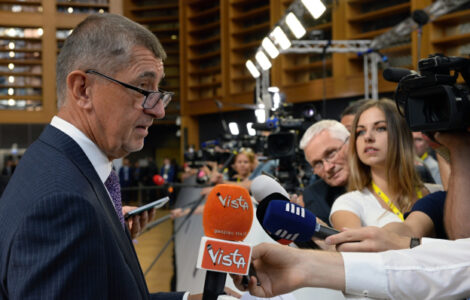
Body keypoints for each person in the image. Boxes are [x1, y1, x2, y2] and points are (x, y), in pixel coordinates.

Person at [0, 13, 194, 300]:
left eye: (159, 92)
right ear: (82, 90)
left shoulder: (54, 163)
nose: (159, 110)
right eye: (143, 88)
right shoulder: (64, 207)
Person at [232, 130, 470, 300]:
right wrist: (304, 262)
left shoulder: (433, 189)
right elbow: (401, 232)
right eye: (317, 163)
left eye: (380, 128)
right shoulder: (342, 201)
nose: (368, 138)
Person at [330, 99, 431, 229]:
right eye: (360, 131)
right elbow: (352, 248)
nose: (368, 137)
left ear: (401, 135)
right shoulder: (348, 203)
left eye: (380, 128)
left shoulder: (429, 193)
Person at [298, 120, 350, 226]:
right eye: (317, 163)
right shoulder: (313, 195)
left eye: (331, 153)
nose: (327, 168)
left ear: (351, 143)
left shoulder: (384, 177)